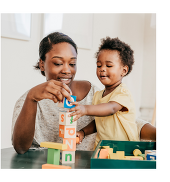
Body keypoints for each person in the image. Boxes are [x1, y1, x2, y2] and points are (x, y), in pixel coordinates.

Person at [11, 32, 156, 154]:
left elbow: (125, 122)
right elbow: (20, 148)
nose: (67, 70)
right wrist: (31, 98)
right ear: (42, 64)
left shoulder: (95, 93)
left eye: (72, 64)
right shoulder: (29, 100)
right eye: (58, 63)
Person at [68, 37, 139, 148]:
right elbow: (99, 122)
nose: (102, 69)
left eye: (109, 65)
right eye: (99, 65)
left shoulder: (123, 92)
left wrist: (85, 109)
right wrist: (83, 132)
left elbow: (111, 109)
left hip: (125, 149)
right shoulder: (98, 95)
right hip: (103, 149)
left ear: (123, 70)